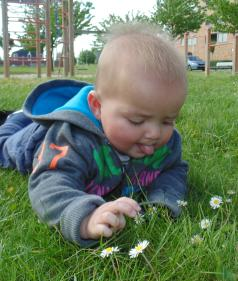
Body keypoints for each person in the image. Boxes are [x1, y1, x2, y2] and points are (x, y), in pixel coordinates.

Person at [0, 23, 188, 247]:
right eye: (137, 121)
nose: (155, 133)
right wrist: (84, 218)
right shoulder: (72, 138)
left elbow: (175, 169)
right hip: (34, 140)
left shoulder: (168, 143)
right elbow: (49, 183)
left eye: (167, 120)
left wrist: (163, 198)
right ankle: (17, 119)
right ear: (97, 106)